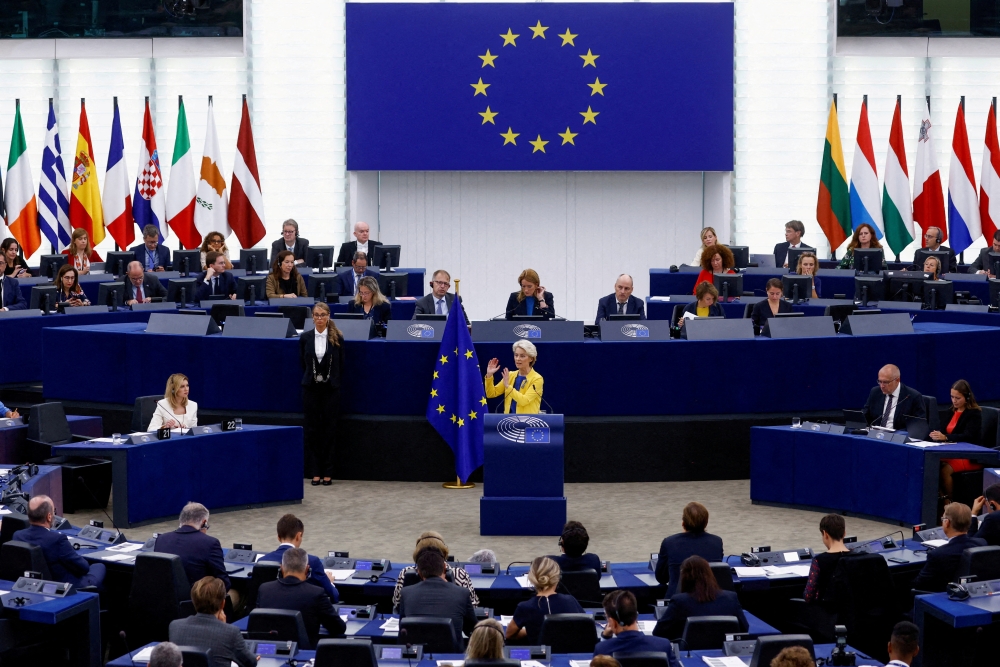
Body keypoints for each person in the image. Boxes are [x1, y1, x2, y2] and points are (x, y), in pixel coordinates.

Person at [256, 547, 345, 649]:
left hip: (269, 650)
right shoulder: (316, 593)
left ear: (281, 568)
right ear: (307, 569)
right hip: (304, 652)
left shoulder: (264, 589)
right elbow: (339, 628)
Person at [12, 495, 106, 589]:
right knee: (99, 566)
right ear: (49, 516)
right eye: (54, 511)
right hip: (66, 586)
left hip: (32, 585)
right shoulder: (57, 539)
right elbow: (83, 568)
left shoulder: (18, 535)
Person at [398, 550, 478, 653]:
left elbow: (402, 631)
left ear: (419, 572)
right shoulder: (462, 593)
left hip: (417, 655)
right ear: (444, 568)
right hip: (453, 656)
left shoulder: (406, 593)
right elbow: (473, 630)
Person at [652, 555, 748, 640]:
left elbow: (658, 632)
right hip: (724, 651)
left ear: (684, 577)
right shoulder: (731, 598)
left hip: (688, 652)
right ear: (710, 574)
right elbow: (744, 628)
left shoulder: (679, 601)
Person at [300, 303, 344, 486]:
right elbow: (302, 362)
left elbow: (341, 364)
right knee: (312, 430)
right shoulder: (305, 337)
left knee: (329, 430)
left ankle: (328, 471)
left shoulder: (337, 337)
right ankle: (315, 471)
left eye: (323, 315)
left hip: (330, 390)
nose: (319, 318)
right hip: (311, 389)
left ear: (328, 316)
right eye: (316, 315)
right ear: (312, 317)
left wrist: (332, 380)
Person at [168, 577, 256, 667]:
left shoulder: (175, 626)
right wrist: (224, 627)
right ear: (223, 603)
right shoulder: (232, 633)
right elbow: (251, 662)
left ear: (193, 602)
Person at [259, 514, 340, 601]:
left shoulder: (262, 561)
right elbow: (333, 596)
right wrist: (329, 582)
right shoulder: (312, 562)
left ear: (278, 537)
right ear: (298, 536)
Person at [154, 502, 232, 592]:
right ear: (204, 523)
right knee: (238, 592)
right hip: (197, 598)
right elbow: (223, 582)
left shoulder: (161, 539)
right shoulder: (210, 543)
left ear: (181, 519)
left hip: (165, 597)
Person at [391, 531, 480, 609]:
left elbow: (397, 603)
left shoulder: (406, 572)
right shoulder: (459, 574)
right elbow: (472, 605)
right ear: (443, 551)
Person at [506, 556, 584, 644]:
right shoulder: (570, 601)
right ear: (558, 578)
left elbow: (509, 635)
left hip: (539, 652)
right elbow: (585, 627)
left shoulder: (525, 607)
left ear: (532, 578)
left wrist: (531, 631)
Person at [911, 502, 986, 592]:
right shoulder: (981, 543)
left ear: (947, 523)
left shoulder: (937, 554)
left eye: (943, 519)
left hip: (943, 596)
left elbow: (919, 584)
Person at [654, 502, 724, 598]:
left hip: (677, 601)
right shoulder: (716, 542)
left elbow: (661, 578)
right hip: (710, 598)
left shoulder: (670, 542)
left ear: (683, 523)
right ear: (706, 522)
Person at [594, 590, 680, 667]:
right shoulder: (663, 646)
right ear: (636, 614)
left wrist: (605, 638)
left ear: (612, 622)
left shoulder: (602, 649)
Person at [933, 380, 983, 498]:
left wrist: (946, 437)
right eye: (952, 397)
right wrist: (936, 435)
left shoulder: (974, 414)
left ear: (967, 397)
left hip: (968, 456)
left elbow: (968, 436)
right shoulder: (950, 411)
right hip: (951, 452)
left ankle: (950, 502)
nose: (954, 401)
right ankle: (941, 500)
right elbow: (943, 430)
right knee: (931, 465)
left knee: (944, 470)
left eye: (958, 398)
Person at [802, 514, 851, 607]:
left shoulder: (819, 561)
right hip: (852, 611)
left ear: (825, 534)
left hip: (827, 612)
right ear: (844, 533)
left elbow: (808, 596)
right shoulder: (856, 557)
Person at [485, 340, 543, 414]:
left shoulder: (537, 379)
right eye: (516, 355)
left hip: (528, 420)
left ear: (531, 358)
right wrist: (489, 375)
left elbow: (524, 401)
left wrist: (508, 386)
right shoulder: (510, 375)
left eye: (522, 356)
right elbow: (491, 393)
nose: (518, 359)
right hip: (508, 419)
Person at [861, 364, 927, 429]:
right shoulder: (875, 392)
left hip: (899, 434)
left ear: (897, 380)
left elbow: (918, 425)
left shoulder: (912, 396)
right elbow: (865, 415)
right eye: (880, 381)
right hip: (876, 433)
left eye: (885, 382)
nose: (882, 386)